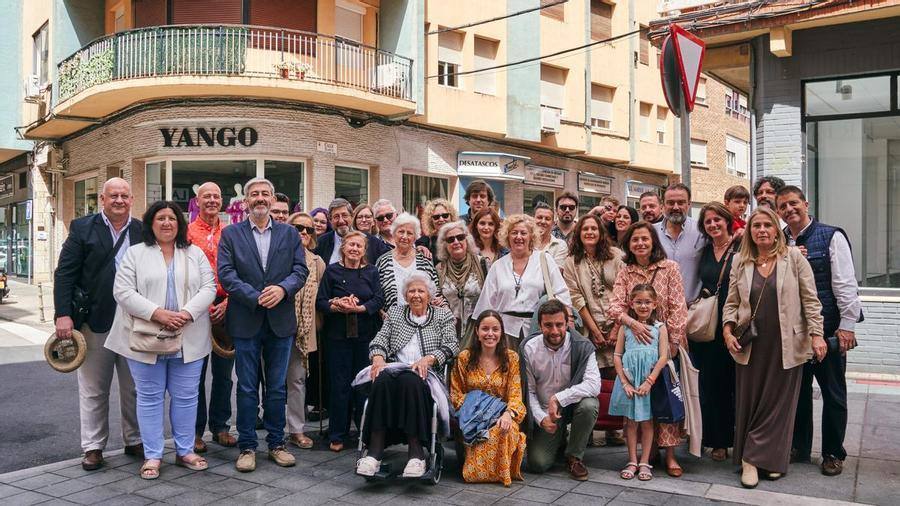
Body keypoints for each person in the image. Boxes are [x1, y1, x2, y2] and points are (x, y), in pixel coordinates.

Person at [104, 200, 217, 479]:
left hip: (188, 336)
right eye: (160, 218)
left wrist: (187, 314)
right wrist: (158, 314)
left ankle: (185, 450)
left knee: (187, 397)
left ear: (179, 224)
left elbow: (209, 286)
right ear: (150, 223)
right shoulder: (135, 254)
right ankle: (153, 455)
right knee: (150, 397)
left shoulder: (194, 253)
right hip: (145, 337)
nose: (166, 223)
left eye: (172, 218)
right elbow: (123, 291)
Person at [722, 206, 825, 488]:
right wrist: (727, 329)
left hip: (787, 342)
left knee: (779, 405)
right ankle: (749, 460)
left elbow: (811, 300)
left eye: (768, 225)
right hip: (751, 343)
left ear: (775, 229)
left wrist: (817, 335)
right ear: (750, 232)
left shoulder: (793, 258)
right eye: (757, 226)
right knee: (752, 401)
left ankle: (764, 459)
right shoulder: (740, 262)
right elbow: (731, 302)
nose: (762, 230)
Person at [217, 177, 309, 472]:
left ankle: (276, 444)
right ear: (245, 201)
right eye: (254, 194)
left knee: (277, 388)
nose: (260, 198)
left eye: (265, 194)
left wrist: (282, 289)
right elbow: (226, 274)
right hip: (245, 320)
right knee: (245, 387)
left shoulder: (289, 234)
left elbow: (300, 270)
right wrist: (255, 297)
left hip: (280, 322)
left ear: (272, 199)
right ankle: (247, 447)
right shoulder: (231, 234)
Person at [53, 177, 143, 470]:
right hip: (94, 321)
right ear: (102, 200)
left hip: (134, 321)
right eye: (113, 195)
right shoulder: (82, 228)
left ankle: (134, 440)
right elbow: (64, 274)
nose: (119, 200)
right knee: (94, 388)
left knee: (135, 388)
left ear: (132, 199)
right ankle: (93, 447)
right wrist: (63, 314)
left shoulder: (143, 230)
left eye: (125, 196)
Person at [776, 186, 862, 477]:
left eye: (793, 203)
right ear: (779, 212)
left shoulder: (831, 235)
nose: (789, 209)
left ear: (806, 203)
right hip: (793, 333)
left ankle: (833, 453)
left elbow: (845, 283)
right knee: (798, 394)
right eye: (783, 206)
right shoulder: (781, 240)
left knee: (833, 393)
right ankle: (800, 447)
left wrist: (847, 326)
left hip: (828, 331)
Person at [355, 274, 459, 478]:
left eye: (421, 291)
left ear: (429, 295)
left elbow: (452, 345)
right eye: (412, 291)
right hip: (394, 370)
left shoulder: (442, 316)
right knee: (381, 379)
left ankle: (416, 453)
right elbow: (380, 340)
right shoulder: (395, 313)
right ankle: (374, 453)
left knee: (411, 380)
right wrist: (377, 358)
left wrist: (429, 359)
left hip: (426, 374)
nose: (416, 295)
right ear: (405, 295)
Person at [607, 222, 688, 477]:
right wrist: (633, 324)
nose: (640, 244)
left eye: (645, 239)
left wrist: (673, 341)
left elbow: (678, 306)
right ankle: (644, 455)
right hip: (633, 342)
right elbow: (615, 306)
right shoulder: (626, 271)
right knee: (639, 404)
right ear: (628, 244)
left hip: (662, 340)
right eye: (635, 240)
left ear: (653, 241)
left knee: (665, 399)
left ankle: (671, 455)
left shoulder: (670, 268)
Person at [317, 231, 385, 452]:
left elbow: (378, 299)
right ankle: (337, 433)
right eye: (351, 245)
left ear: (364, 250)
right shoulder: (332, 271)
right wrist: (337, 304)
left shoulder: (371, 271)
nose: (355, 249)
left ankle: (364, 434)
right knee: (339, 386)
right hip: (337, 337)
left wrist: (360, 308)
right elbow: (321, 301)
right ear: (343, 248)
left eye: (359, 246)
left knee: (364, 385)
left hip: (365, 336)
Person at [562, 214, 625, 445]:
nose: (589, 232)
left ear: (601, 232)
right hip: (589, 328)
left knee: (616, 376)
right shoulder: (572, 262)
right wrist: (596, 331)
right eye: (585, 229)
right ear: (579, 233)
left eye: (594, 229)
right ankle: (587, 429)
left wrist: (616, 328)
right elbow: (575, 297)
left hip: (618, 324)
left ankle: (614, 428)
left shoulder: (616, 256)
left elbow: (625, 291)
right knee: (590, 377)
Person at [521, 300, 601, 481]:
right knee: (538, 464)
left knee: (589, 405)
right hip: (544, 411)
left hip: (574, 407)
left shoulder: (582, 345)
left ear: (567, 324)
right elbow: (529, 392)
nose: (555, 331)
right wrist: (541, 419)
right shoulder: (529, 348)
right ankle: (559, 439)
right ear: (540, 325)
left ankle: (574, 457)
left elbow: (594, 385)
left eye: (559, 325)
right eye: (548, 325)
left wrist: (558, 398)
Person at [450, 310, 526, 486]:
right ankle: (476, 472)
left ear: (501, 332)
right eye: (485, 329)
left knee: (505, 429)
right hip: (473, 417)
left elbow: (515, 392)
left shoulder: (511, 358)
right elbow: (455, 393)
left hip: (503, 415)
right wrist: (479, 410)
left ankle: (501, 473)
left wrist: (508, 414)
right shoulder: (465, 358)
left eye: (495, 329)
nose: (490, 334)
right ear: (477, 332)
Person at [186, 182, 236, 452]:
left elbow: (240, 271)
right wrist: (200, 305)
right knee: (195, 373)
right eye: (207, 196)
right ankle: (195, 431)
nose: (212, 200)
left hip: (227, 307)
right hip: (197, 309)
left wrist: (229, 301)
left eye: (217, 196)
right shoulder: (187, 233)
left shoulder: (231, 233)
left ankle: (220, 427)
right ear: (197, 200)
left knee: (224, 373)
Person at [472, 214, 572, 346]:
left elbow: (561, 293)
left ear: (531, 237)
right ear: (507, 236)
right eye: (514, 233)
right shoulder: (498, 266)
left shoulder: (544, 260)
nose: (518, 237)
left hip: (538, 331)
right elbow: (486, 304)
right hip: (504, 333)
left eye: (523, 233)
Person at [692, 202, 740, 462]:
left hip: (733, 324)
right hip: (707, 326)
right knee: (709, 386)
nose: (713, 225)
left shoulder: (741, 246)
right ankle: (716, 441)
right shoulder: (703, 250)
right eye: (708, 221)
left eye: (717, 220)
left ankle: (736, 439)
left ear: (727, 221)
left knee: (731, 385)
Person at [609, 284, 669, 482]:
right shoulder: (625, 328)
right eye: (639, 302)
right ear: (631, 304)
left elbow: (663, 357)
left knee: (647, 422)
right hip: (630, 381)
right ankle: (632, 460)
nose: (643, 306)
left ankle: (645, 461)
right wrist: (625, 383)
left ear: (655, 304)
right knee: (631, 422)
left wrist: (649, 381)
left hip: (648, 382)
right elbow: (617, 355)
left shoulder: (660, 328)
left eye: (647, 302)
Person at [286, 212, 327, 450]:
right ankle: (272, 431)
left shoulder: (317, 262)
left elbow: (320, 299)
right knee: (272, 381)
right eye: (298, 228)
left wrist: (315, 327)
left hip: (304, 330)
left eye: (308, 230)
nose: (303, 233)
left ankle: (296, 430)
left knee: (297, 380)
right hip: (277, 328)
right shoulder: (278, 256)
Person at [376, 213, 443, 310]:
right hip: (392, 321)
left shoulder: (425, 261)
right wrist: (380, 312)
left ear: (415, 237)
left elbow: (435, 292)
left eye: (410, 233)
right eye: (401, 232)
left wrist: (437, 301)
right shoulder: (383, 261)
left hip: (422, 320)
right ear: (394, 234)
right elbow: (376, 294)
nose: (405, 236)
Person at [654, 183, 706, 303]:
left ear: (689, 204)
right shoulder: (651, 233)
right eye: (671, 203)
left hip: (692, 311)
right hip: (657, 312)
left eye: (681, 202)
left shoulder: (702, 231)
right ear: (663, 205)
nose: (676, 207)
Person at [436, 221, 486, 345]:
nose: (456, 242)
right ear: (444, 244)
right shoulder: (439, 269)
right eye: (450, 239)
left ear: (467, 240)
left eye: (460, 237)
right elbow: (436, 298)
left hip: (478, 331)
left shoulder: (483, 264)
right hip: (449, 332)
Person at [315, 198, 391, 266]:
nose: (341, 221)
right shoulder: (321, 243)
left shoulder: (370, 241)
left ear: (352, 216)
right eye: (336, 217)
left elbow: (390, 258)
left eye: (344, 215)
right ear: (330, 220)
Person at [533, 202, 568, 267]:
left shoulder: (560, 245)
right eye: (539, 217)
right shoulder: (525, 243)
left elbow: (556, 274)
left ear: (553, 223)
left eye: (547, 219)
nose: (543, 221)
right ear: (533, 220)